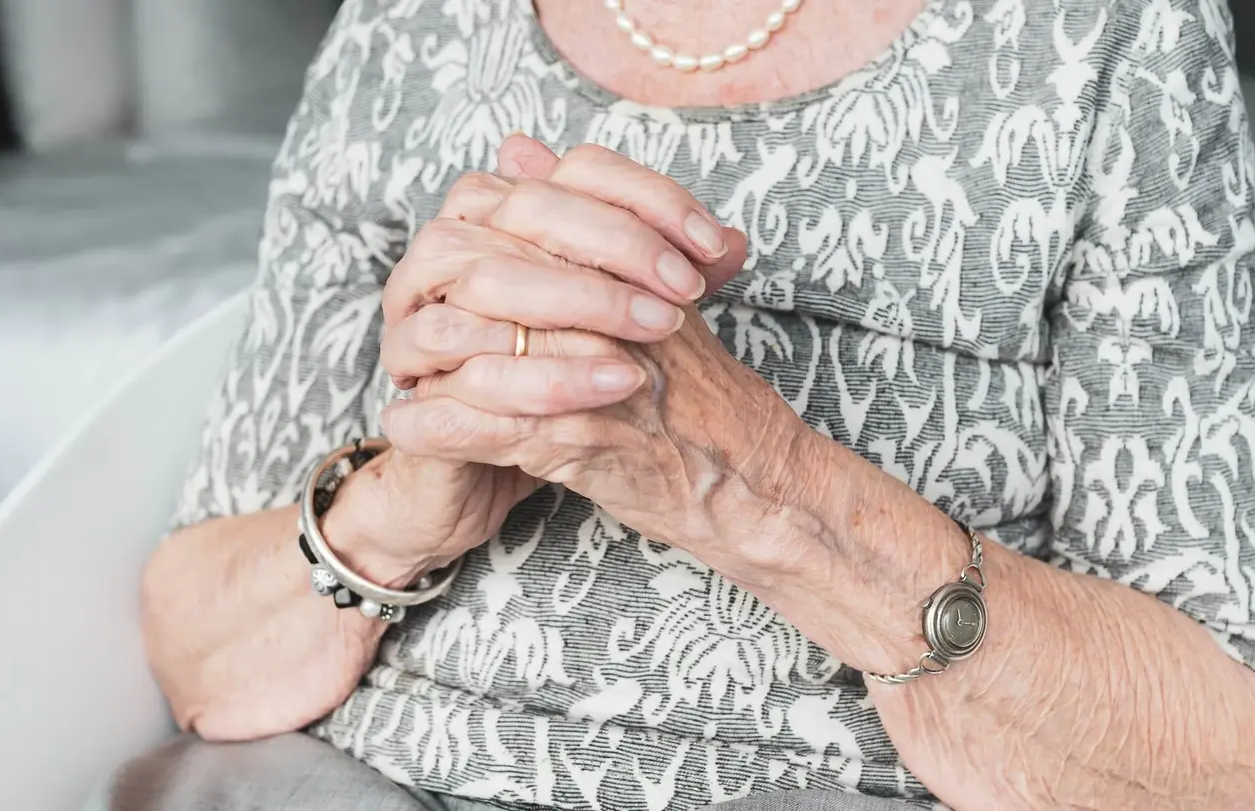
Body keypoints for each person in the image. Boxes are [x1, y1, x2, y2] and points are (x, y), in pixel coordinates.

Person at [106, 0, 1255, 808]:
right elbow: (202, 652)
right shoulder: (405, 29)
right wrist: (414, 489)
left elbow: (1210, 763)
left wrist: (749, 477)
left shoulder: (1109, 39)